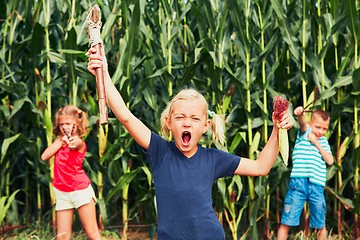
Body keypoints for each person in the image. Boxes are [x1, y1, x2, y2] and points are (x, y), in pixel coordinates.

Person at [87, 47, 293, 240]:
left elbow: (261, 167)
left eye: (195, 119)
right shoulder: (160, 151)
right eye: (180, 117)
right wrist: (102, 72)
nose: (187, 122)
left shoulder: (213, 158)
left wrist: (277, 129)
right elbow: (125, 116)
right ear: (168, 122)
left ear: (205, 125)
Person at [41, 105, 102, 240]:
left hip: (79, 191)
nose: (65, 127)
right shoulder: (59, 141)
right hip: (62, 192)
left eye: (69, 124)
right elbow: (44, 156)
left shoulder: (78, 142)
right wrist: (60, 142)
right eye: (62, 124)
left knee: (92, 233)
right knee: (62, 237)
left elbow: (77, 144)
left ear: (77, 123)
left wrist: (71, 142)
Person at [277, 106, 334, 240]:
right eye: (317, 127)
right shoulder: (304, 133)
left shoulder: (323, 142)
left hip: (317, 187)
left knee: (320, 224)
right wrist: (299, 114)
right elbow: (302, 122)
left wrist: (316, 143)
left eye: (324, 128)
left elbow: (330, 161)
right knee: (287, 220)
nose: (320, 131)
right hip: (298, 184)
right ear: (310, 124)